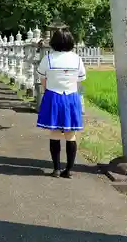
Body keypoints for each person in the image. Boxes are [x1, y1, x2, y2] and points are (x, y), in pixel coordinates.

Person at [36, 27, 86, 178]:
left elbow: (43, 80)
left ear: (53, 42)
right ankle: (69, 170)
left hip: (53, 96)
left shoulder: (48, 59)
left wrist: (48, 93)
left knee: (55, 133)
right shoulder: (77, 59)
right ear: (71, 41)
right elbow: (79, 82)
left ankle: (56, 169)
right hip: (71, 97)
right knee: (71, 134)